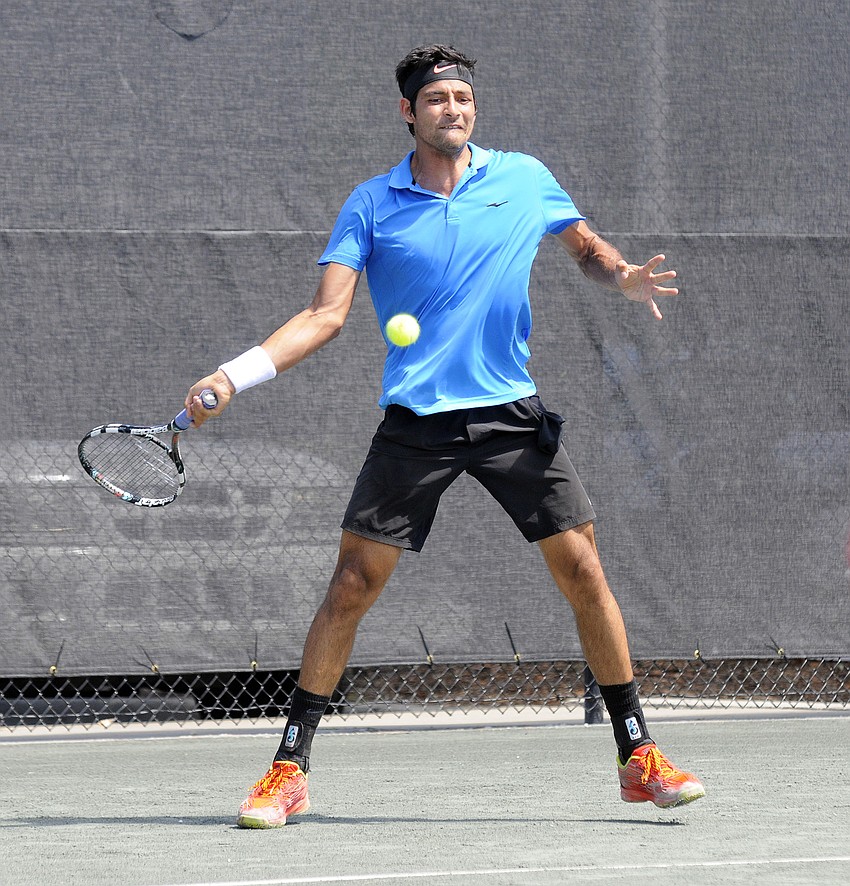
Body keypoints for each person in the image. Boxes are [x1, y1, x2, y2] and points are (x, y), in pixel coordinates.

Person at [185, 44, 705, 828]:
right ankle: (288, 767)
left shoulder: (524, 178)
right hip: (417, 423)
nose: (452, 109)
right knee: (351, 585)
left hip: (510, 415)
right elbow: (325, 315)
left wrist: (623, 276)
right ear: (408, 112)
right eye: (436, 99)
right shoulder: (372, 203)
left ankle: (638, 755)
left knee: (583, 568)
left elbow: (588, 251)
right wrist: (234, 374)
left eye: (462, 97)